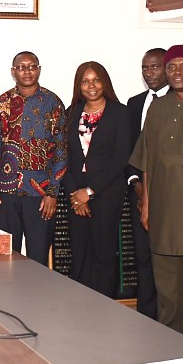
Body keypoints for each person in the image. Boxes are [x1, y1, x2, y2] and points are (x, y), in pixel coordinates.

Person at [129, 44, 183, 344]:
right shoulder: (158, 106)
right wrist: (146, 204)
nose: (177, 72)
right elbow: (147, 159)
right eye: (171, 67)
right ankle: (169, 343)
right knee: (167, 287)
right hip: (163, 210)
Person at [0, 51, 68, 264]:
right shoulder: (2, 103)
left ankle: (37, 297)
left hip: (40, 193)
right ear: (13, 72)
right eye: (21, 67)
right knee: (3, 257)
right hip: (6, 192)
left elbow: (61, 150)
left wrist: (52, 193)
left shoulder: (52, 103)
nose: (27, 71)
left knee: (38, 257)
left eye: (31, 66)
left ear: (38, 69)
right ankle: (5, 298)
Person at [63, 61, 131, 297]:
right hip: (75, 195)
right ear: (78, 85)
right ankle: (81, 304)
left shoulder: (120, 113)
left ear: (105, 82)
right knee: (79, 252)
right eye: (85, 81)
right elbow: (66, 156)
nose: (91, 86)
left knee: (103, 253)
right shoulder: (71, 113)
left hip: (106, 193)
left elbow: (121, 158)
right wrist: (76, 195)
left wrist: (89, 192)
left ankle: (105, 308)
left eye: (96, 80)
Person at [125, 48, 168, 319]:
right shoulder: (134, 103)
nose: (150, 73)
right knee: (142, 258)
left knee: (166, 261)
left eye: (155, 67)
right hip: (137, 190)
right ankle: (145, 317)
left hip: (169, 194)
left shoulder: (179, 101)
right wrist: (136, 184)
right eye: (145, 68)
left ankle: (168, 318)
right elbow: (129, 150)